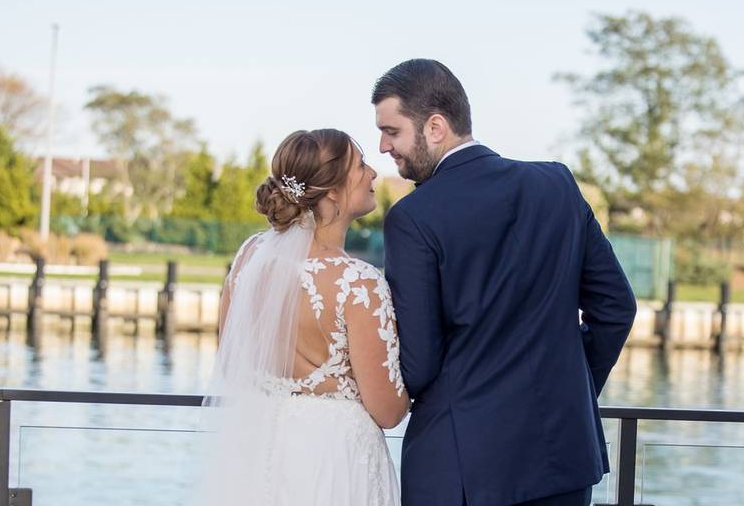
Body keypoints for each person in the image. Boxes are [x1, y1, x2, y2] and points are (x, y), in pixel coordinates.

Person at [374, 59, 637, 506]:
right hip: (562, 456)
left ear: (435, 126)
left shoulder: (413, 218)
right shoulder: (557, 184)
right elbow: (616, 308)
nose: (382, 146)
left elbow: (418, 366)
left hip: (461, 467)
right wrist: (568, 390)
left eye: (392, 131)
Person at [196, 129, 407, 506]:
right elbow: (388, 411)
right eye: (360, 166)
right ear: (331, 191)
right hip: (333, 457)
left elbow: (233, 363)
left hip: (262, 447)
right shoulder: (358, 284)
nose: (373, 173)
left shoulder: (250, 257)